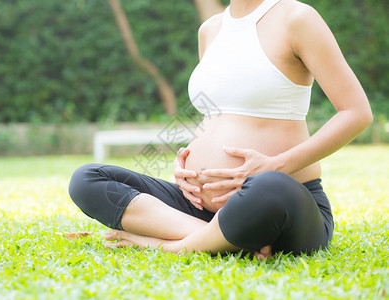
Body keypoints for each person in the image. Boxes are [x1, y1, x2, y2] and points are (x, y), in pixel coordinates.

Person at [68, 0, 372, 259]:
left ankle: (174, 246)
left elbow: (356, 113)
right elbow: (212, 113)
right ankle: (222, 238)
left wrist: (273, 165)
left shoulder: (297, 18)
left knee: (270, 186)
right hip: (199, 206)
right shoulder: (210, 29)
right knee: (87, 180)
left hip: (278, 204)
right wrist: (184, 157)